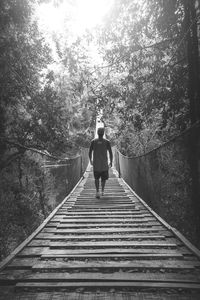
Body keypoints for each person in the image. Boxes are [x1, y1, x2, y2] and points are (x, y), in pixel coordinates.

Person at [89, 127, 113, 199]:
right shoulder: (107, 142)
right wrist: (111, 162)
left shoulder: (93, 141)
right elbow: (111, 153)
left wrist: (90, 160)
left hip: (96, 164)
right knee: (103, 179)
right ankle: (102, 191)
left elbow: (89, 152)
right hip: (104, 165)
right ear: (103, 134)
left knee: (96, 178)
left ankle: (97, 192)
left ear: (97, 133)